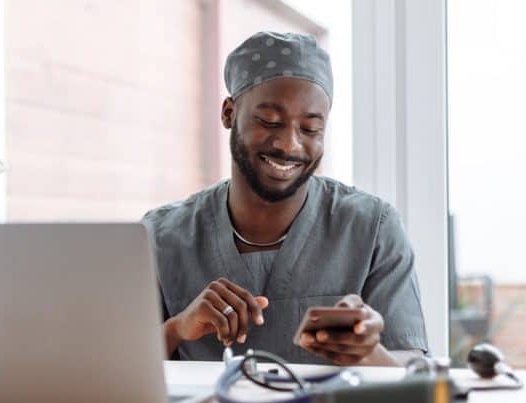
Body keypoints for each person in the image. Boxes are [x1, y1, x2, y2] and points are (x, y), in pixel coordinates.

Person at [142, 32, 428, 366]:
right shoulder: (162, 236)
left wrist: (368, 353)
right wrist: (177, 329)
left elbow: (412, 370)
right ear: (229, 113)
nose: (290, 145)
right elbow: (109, 369)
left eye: (310, 129)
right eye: (269, 121)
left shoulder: (371, 228)